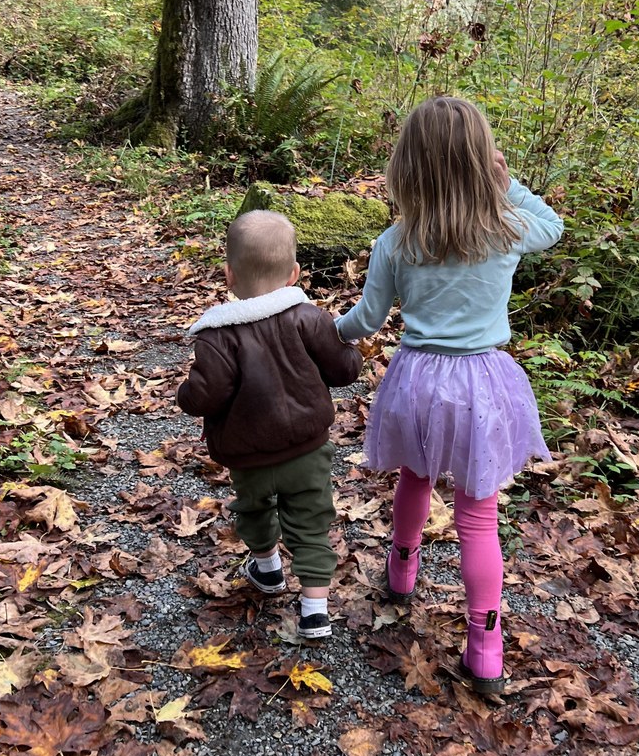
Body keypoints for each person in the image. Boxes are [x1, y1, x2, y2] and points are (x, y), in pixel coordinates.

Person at [335, 96, 564, 695]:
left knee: (415, 477)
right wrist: (508, 186)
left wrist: (324, 329)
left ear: (408, 167)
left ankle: (401, 571)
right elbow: (553, 226)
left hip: (418, 382)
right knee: (478, 515)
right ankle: (486, 648)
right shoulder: (507, 230)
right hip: (482, 384)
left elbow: (366, 320)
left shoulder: (396, 241)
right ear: (482, 162)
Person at [178, 210, 362, 641]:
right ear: (294, 273)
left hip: (249, 454)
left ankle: (268, 569)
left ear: (229, 275)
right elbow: (342, 370)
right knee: (311, 520)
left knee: (254, 508)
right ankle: (314, 611)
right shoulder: (309, 318)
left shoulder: (217, 336)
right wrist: (351, 350)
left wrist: (186, 393)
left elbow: (206, 395)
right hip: (307, 449)